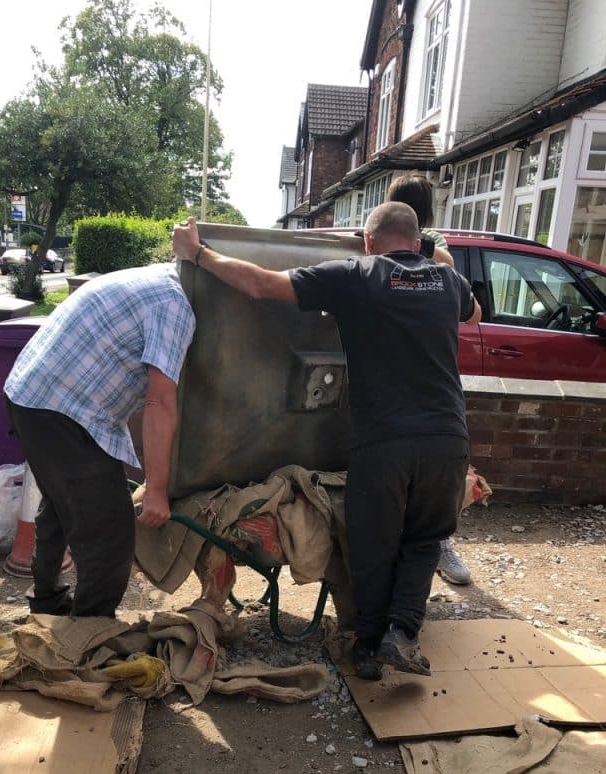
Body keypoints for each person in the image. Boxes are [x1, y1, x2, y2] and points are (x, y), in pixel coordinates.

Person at [172, 205, 481, 679]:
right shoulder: (446, 282)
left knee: (371, 544)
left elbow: (260, 284)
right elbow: (474, 311)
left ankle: (368, 647)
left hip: (385, 441)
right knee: (423, 540)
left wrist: (199, 255)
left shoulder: (359, 274)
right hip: (447, 438)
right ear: (416, 239)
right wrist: (435, 258)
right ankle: (402, 633)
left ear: (369, 241)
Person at [4, 262, 196, 617]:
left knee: (62, 507)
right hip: (60, 409)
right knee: (110, 532)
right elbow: (160, 401)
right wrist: (156, 488)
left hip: (29, 392)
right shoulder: (176, 306)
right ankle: (88, 632)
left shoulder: (154, 278)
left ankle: (47, 603)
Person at [386, 173, 473, 587]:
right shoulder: (376, 232)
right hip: (389, 362)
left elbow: (449, 268)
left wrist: (414, 243)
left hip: (426, 365)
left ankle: (437, 543)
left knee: (436, 472)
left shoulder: (432, 244)